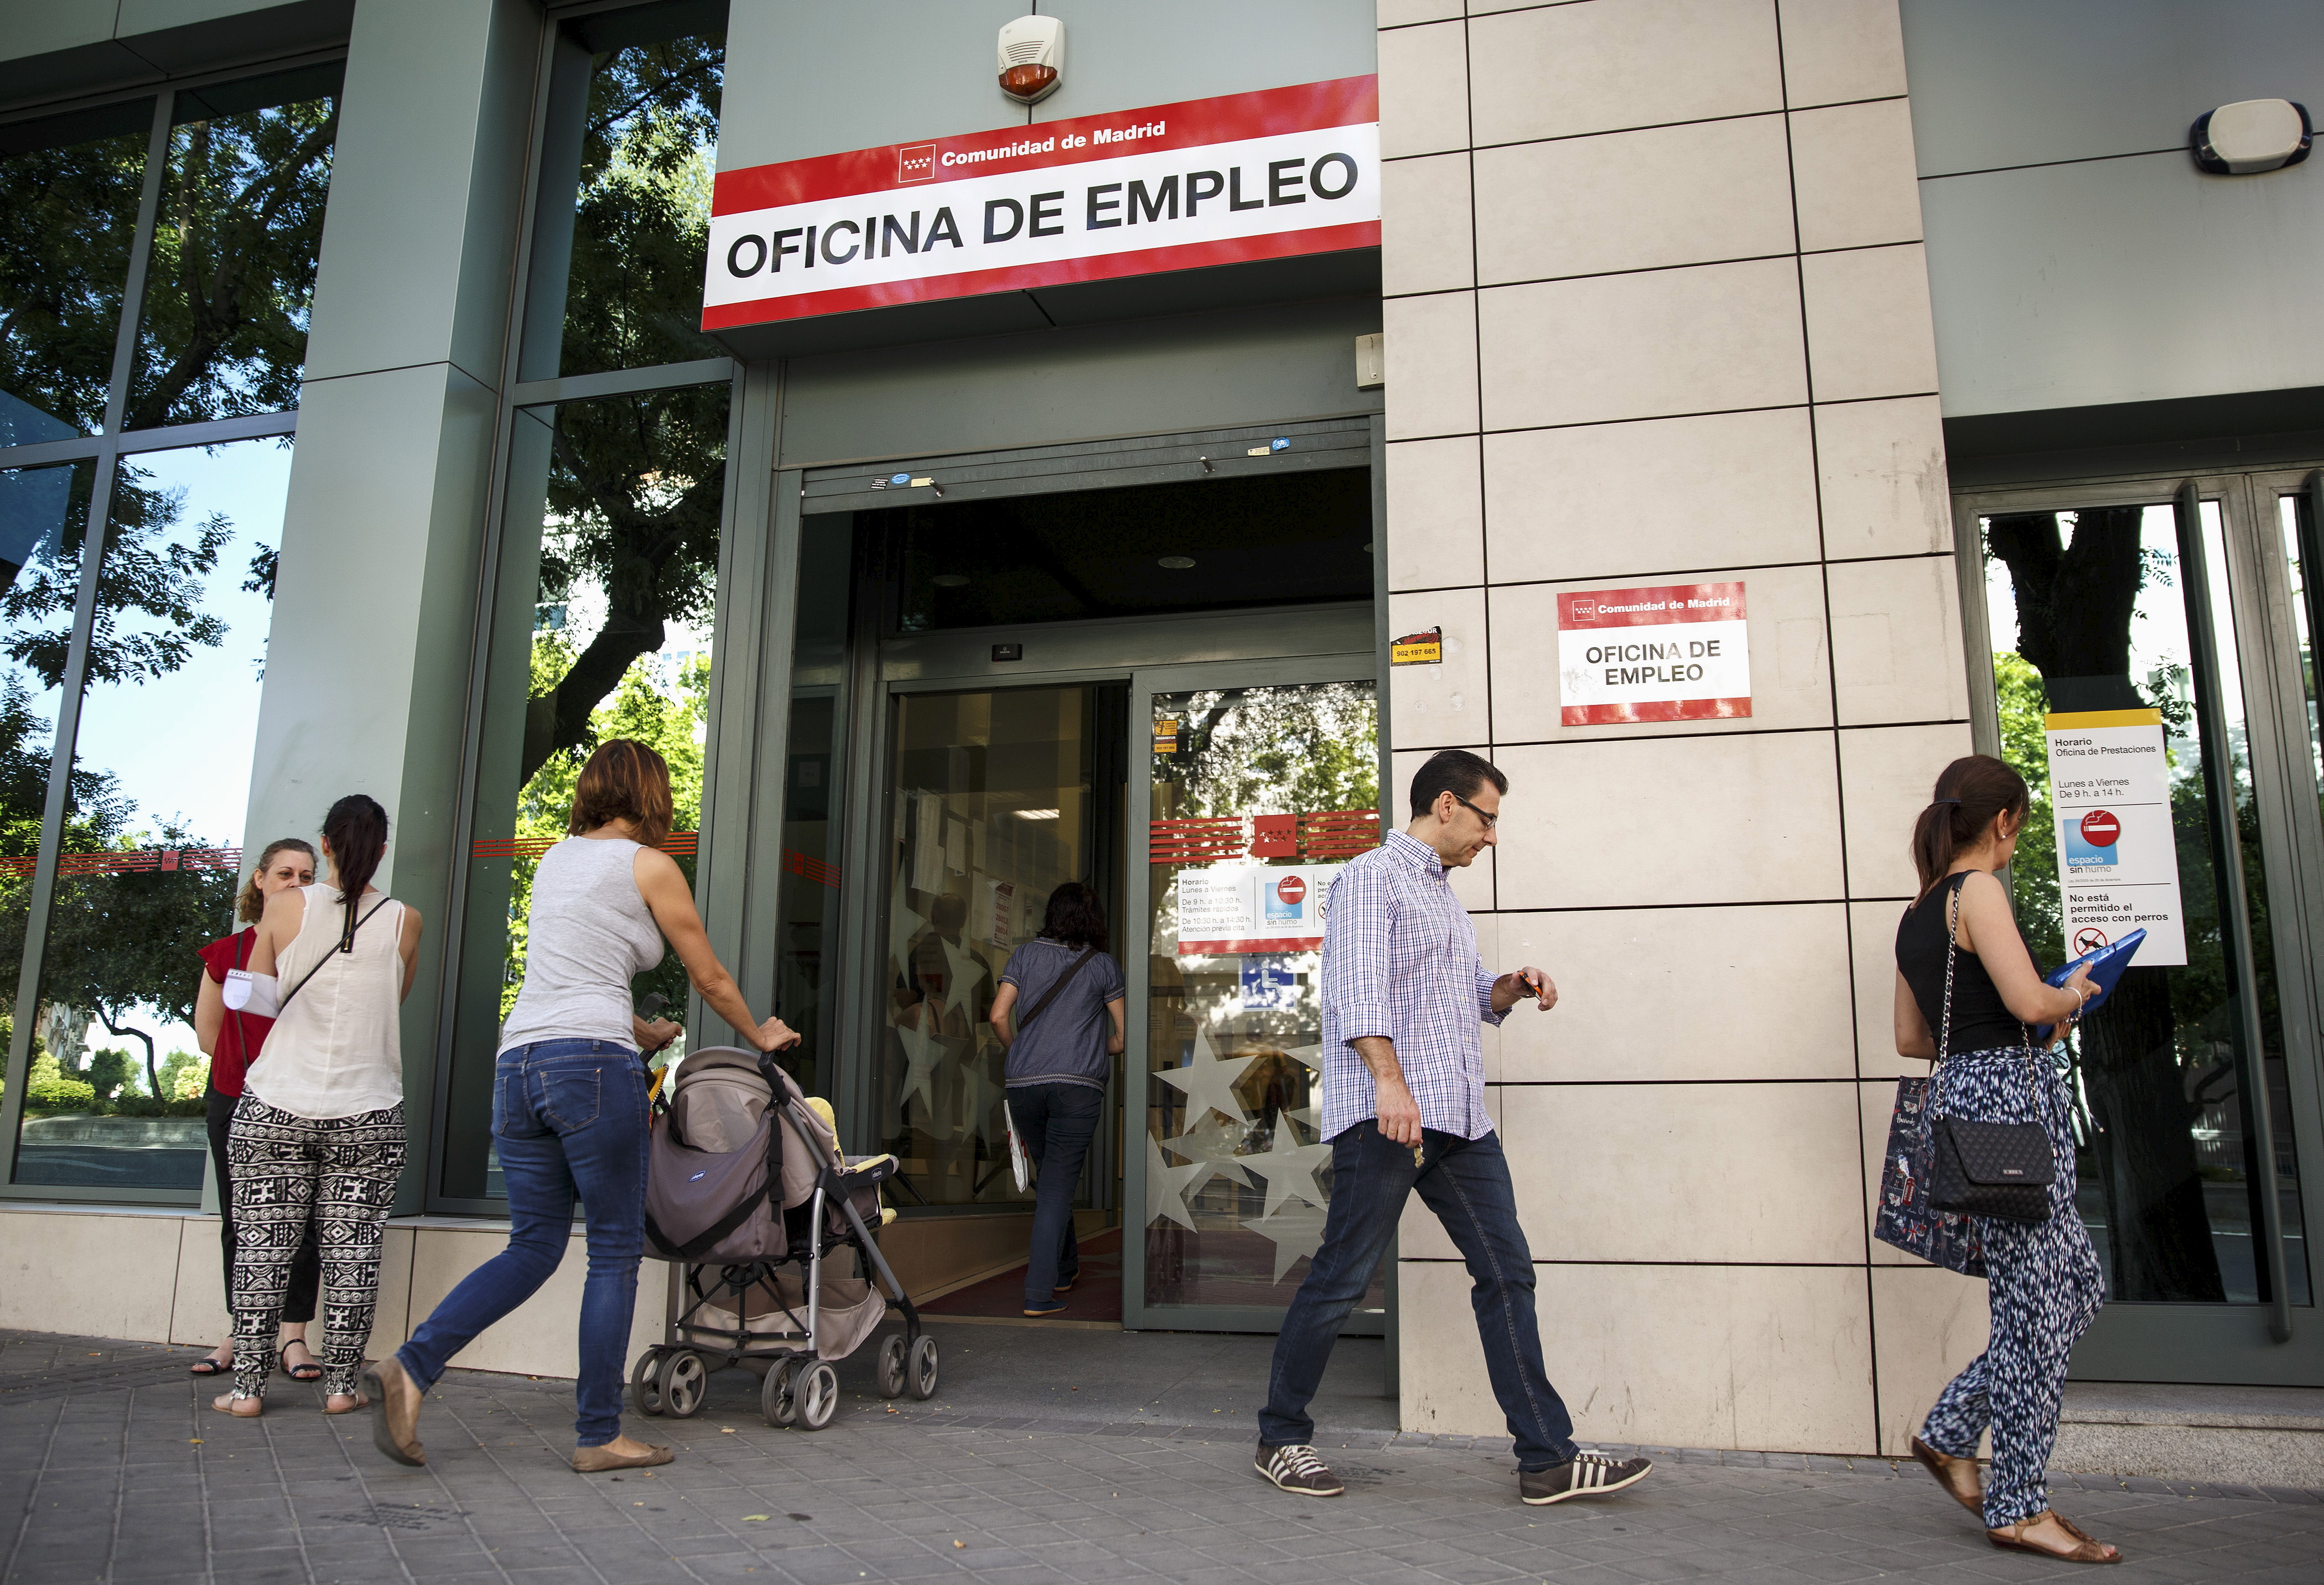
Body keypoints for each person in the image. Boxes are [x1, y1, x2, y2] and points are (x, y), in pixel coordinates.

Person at [367, 739, 800, 1473]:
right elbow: (708, 970)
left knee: (533, 1245)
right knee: (613, 1251)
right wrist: (760, 1030)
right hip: (592, 1069)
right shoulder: (648, 866)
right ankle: (599, 1434)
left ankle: (415, 1364)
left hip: (521, 1063)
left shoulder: (556, 861)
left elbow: (572, 978)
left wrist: (644, 1030)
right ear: (651, 792)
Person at [1255, 750, 1652, 1507]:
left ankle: (1547, 1458)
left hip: (1459, 1118)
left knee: (1507, 1272)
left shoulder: (1441, 895)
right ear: (1446, 805)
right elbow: (1356, 995)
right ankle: (1281, 1436)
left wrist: (1503, 987)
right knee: (1340, 1278)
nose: (1492, 836)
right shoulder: (1372, 878)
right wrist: (1389, 1086)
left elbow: (1451, 994)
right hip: (1394, 1116)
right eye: (1487, 817)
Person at [1894, 755, 2116, 1564]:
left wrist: (2031, 1018)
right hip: (2010, 1111)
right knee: (2034, 1308)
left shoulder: (1920, 909)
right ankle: (2020, 1504)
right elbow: (2029, 1002)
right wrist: (2077, 993)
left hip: (1967, 1100)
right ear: (2006, 819)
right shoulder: (1978, 890)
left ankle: (1954, 1430)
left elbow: (1914, 1039)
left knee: (2073, 1289)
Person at [214, 794, 422, 1419]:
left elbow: (256, 1000)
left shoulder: (282, 907)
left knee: (261, 1249)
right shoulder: (405, 920)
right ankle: (341, 1387)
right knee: (354, 1250)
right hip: (369, 1107)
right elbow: (394, 1000)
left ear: (324, 846)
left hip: (279, 1099)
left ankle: (248, 1391)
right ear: (382, 850)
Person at [189, 839, 323, 1382]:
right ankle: (242, 1331)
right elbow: (207, 1033)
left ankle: (293, 1338)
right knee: (239, 1222)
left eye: (307, 875)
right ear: (262, 882)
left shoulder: (323, 955)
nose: (296, 882)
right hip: (235, 1098)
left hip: (304, 1099)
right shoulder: (227, 953)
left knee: (305, 1222)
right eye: (286, 873)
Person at [988, 881, 1125, 1319]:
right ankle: (1039, 1292)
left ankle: (1064, 1269)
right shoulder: (1103, 966)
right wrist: (1088, 1047)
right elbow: (1124, 1037)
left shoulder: (1025, 956)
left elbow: (997, 1015)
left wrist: (1020, 1051)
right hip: (1077, 1089)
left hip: (1024, 1083)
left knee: (1051, 1178)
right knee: (1057, 1186)